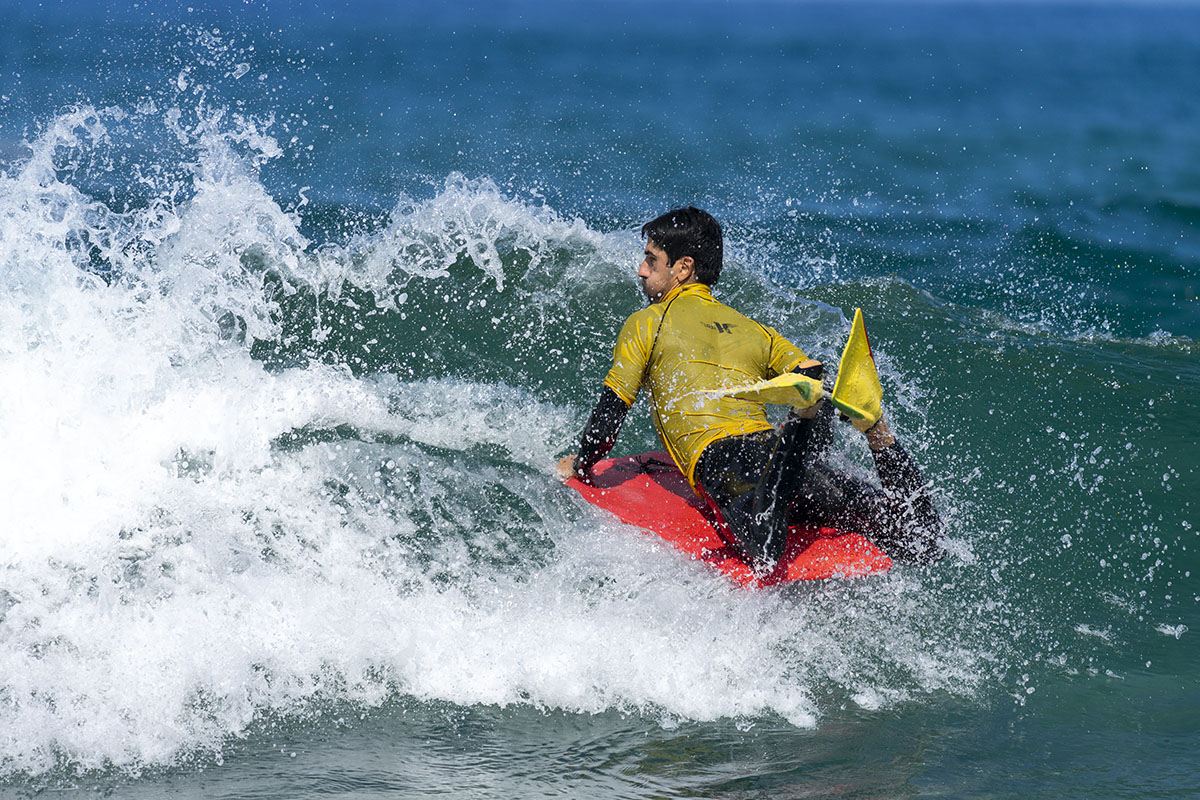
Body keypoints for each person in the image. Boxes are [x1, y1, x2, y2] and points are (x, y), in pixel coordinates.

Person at [556, 207, 943, 572]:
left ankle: (799, 422)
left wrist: (581, 464)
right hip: (780, 459)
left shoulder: (646, 322)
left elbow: (611, 414)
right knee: (921, 540)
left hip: (727, 461)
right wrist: (814, 440)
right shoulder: (754, 329)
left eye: (651, 260)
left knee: (764, 549)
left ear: (683, 268)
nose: (641, 271)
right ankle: (877, 433)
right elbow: (813, 379)